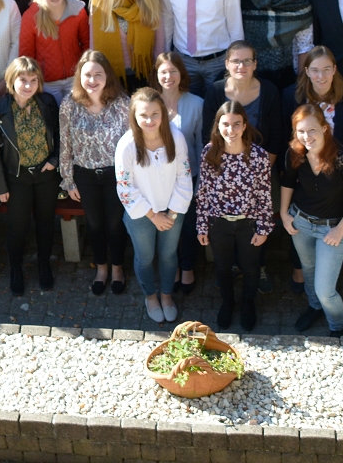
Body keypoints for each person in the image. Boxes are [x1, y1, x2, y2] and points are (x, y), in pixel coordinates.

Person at [281, 104, 343, 338]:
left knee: (325, 289)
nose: (306, 137)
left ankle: (337, 326)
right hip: (301, 223)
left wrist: (340, 229)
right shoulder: (295, 152)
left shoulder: (341, 157)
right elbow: (287, 182)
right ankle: (314, 306)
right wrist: (284, 213)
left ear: (324, 128)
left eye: (312, 130)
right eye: (300, 131)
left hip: (332, 229)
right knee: (308, 270)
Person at [196, 100, 275, 331]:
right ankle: (228, 302)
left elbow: (264, 193)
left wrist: (263, 228)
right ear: (218, 126)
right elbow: (203, 192)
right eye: (226, 124)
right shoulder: (209, 153)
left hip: (247, 223)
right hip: (219, 223)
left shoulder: (258, 155)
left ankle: (248, 302)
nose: (231, 130)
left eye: (236, 124)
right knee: (223, 266)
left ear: (244, 125)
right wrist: (202, 226)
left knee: (250, 267)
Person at [116, 87, 192, 322]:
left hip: (172, 211)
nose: (149, 120)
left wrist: (172, 213)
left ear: (163, 113)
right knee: (145, 257)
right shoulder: (127, 145)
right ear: (134, 116)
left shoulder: (176, 137)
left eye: (154, 114)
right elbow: (125, 187)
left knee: (168, 255)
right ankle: (150, 296)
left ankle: (166, 295)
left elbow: (184, 176)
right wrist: (153, 215)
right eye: (143, 115)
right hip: (141, 214)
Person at [60, 51, 131, 295]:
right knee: (94, 223)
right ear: (79, 76)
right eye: (87, 75)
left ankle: (118, 268)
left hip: (115, 176)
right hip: (85, 175)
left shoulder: (122, 103)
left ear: (107, 75)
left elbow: (132, 143)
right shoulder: (69, 104)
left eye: (98, 74)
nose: (92, 80)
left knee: (115, 224)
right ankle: (101, 268)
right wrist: (68, 180)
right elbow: (65, 143)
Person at [0, 56, 62, 294]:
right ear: (11, 80)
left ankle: (43, 264)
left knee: (45, 222)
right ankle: (16, 269)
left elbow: (60, 136)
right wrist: (0, 186)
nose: (28, 85)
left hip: (45, 175)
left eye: (33, 80)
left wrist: (54, 161)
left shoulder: (47, 103)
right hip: (17, 178)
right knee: (17, 226)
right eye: (23, 80)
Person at [154, 51, 205, 292]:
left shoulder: (196, 104)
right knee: (167, 225)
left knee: (188, 225)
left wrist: (201, 181)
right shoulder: (149, 103)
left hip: (188, 176)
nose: (168, 76)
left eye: (173, 71)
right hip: (157, 180)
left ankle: (188, 267)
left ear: (181, 73)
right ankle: (170, 265)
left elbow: (201, 145)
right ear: (156, 75)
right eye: (163, 71)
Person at [89, 0, 170, 91]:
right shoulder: (100, 0)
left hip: (143, 72)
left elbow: (159, 39)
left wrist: (158, 71)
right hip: (111, 75)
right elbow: (94, 42)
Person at [20, 0, 90, 100]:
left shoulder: (77, 10)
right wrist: (33, 81)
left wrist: (84, 71)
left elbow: (87, 44)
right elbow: (27, 55)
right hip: (47, 83)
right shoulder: (30, 17)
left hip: (75, 78)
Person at [204, 41, 280, 158]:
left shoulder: (269, 91)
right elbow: (208, 134)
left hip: (263, 161)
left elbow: (276, 137)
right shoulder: (215, 91)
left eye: (247, 61)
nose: (241, 66)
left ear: (255, 64)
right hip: (222, 162)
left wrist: (264, 166)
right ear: (227, 64)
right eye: (235, 61)